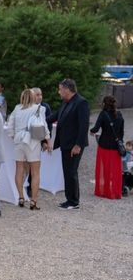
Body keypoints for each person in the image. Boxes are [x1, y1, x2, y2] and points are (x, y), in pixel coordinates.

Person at [47, 78, 90, 210]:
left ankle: (74, 202)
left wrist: (78, 145)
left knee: (71, 172)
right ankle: (69, 199)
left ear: (67, 89)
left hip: (74, 145)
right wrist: (40, 121)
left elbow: (84, 126)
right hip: (65, 143)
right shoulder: (66, 102)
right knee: (67, 172)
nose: (59, 92)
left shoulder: (81, 102)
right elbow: (55, 116)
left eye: (60, 89)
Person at [7, 89, 52, 210]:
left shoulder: (17, 108)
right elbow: (44, 126)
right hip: (33, 142)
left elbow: (10, 126)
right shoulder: (39, 108)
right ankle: (33, 201)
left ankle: (21, 197)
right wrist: (48, 140)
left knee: (19, 169)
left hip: (19, 141)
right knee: (35, 172)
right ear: (33, 97)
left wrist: (14, 136)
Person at [90, 96, 124, 199]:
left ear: (104, 104)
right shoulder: (119, 114)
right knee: (115, 170)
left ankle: (104, 191)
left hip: (104, 146)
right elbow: (121, 132)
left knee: (104, 169)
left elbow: (95, 129)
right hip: (116, 147)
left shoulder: (103, 114)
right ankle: (115, 192)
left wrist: (91, 131)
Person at [26, 87, 53, 197]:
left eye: (41, 94)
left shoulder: (45, 107)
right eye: (37, 94)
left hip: (38, 141)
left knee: (34, 166)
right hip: (27, 140)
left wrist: (45, 141)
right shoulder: (26, 107)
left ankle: (30, 187)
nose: (40, 97)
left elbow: (48, 125)